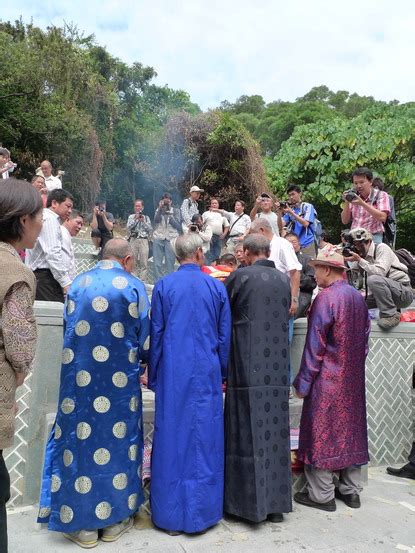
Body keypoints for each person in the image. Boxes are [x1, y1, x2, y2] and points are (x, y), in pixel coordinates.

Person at [37, 239, 150, 549]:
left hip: (79, 386)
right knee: (118, 444)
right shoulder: (135, 286)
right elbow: (145, 341)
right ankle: (114, 521)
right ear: (127, 260)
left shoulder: (77, 285)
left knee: (79, 445)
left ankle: (82, 526)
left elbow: (68, 331)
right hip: (120, 388)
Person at [148, 233, 231, 535]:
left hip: (173, 373)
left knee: (172, 437)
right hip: (206, 372)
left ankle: (171, 516)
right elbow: (224, 338)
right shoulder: (215, 287)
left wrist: (153, 375)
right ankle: (204, 513)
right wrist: (221, 372)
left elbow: (156, 335)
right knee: (206, 439)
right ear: (198, 253)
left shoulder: (164, 286)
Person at [293, 248, 370, 512]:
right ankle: (351, 491)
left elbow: (315, 347)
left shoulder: (326, 299)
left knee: (322, 432)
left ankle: (322, 495)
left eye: (316, 269)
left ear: (327, 269)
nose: (314, 275)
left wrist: (303, 383)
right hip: (352, 379)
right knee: (351, 430)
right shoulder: (358, 299)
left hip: (327, 380)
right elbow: (365, 344)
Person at [224, 234, 292, 524]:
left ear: (249, 253)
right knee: (275, 434)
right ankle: (275, 506)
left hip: (246, 364)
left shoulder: (240, 278)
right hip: (276, 369)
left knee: (244, 432)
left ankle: (246, 507)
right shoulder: (283, 280)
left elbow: (223, 314)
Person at [0, 178, 42, 553]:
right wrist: (21, 372)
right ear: (22, 220)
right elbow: (19, 345)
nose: (41, 224)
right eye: (39, 215)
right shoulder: (15, 273)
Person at [343, 227, 413, 329]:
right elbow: (355, 278)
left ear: (368, 242)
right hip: (381, 295)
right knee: (354, 302)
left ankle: (391, 315)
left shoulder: (382, 248)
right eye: (353, 245)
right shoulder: (362, 256)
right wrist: (343, 260)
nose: (356, 248)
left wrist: (360, 260)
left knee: (373, 279)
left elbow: (380, 273)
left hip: (403, 293)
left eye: (358, 244)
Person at [25, 188, 74, 302]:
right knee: (52, 317)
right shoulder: (50, 219)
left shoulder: (46, 218)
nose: (70, 211)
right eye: (68, 206)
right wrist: (65, 283)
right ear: (54, 203)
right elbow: (52, 253)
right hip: (45, 278)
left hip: (43, 278)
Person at [249, 218, 301, 317]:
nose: (252, 237)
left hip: (282, 297)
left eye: (253, 234)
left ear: (261, 231)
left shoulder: (282, 244)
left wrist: (294, 299)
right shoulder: (260, 247)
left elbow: (295, 271)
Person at [341, 167, 390, 245]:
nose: (359, 186)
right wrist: (347, 201)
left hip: (373, 237)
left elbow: (383, 217)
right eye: (356, 183)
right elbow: (344, 221)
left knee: (374, 255)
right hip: (354, 237)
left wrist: (362, 204)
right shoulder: (354, 196)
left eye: (362, 182)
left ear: (370, 182)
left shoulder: (381, 195)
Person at [285, 232, 317, 318]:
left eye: (293, 242)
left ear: (299, 243)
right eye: (288, 243)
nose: (291, 245)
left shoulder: (307, 259)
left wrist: (296, 274)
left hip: (302, 293)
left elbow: (312, 283)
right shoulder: (282, 259)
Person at [152, 193, 182, 282]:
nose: (166, 202)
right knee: (157, 261)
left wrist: (170, 215)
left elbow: (178, 226)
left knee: (170, 261)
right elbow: (156, 221)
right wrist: (160, 209)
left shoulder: (176, 211)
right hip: (159, 237)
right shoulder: (159, 210)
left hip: (171, 238)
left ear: (171, 202)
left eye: (168, 200)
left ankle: (170, 281)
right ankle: (157, 281)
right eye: (164, 200)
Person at [281, 185, 317, 257]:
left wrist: (291, 212)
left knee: (309, 266)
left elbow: (306, 223)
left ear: (299, 194)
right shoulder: (291, 209)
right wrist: (279, 212)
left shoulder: (307, 206)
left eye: (293, 194)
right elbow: (281, 225)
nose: (291, 197)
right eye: (289, 195)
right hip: (294, 245)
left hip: (307, 243)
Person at [126, 199, 152, 282]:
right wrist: (135, 219)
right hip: (133, 240)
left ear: (142, 207)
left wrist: (143, 221)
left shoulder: (146, 218)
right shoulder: (131, 217)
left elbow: (150, 229)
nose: (137, 208)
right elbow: (128, 227)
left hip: (144, 241)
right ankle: (133, 280)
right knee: (132, 261)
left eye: (139, 206)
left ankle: (142, 281)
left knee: (143, 262)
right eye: (136, 206)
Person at [202, 198, 230, 263]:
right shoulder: (206, 213)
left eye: (216, 203)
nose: (214, 204)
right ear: (210, 205)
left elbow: (227, 226)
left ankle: (215, 270)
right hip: (209, 236)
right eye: (213, 203)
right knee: (208, 254)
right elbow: (201, 224)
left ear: (218, 205)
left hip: (219, 237)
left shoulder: (221, 214)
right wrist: (206, 234)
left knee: (217, 254)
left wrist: (224, 234)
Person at [61, 210, 84, 282]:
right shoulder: (62, 235)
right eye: (78, 223)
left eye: (81, 224)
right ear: (68, 219)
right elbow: (63, 264)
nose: (80, 227)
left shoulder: (67, 236)